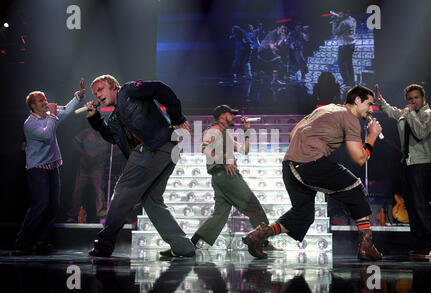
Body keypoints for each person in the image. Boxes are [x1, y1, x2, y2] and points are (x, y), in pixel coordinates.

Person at [243, 86, 384, 260]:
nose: (371, 109)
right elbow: (360, 159)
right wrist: (372, 136)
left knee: (303, 214)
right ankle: (366, 246)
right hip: (310, 163)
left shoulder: (326, 108)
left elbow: (293, 134)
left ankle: (258, 236)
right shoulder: (351, 119)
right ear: (357, 101)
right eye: (369, 104)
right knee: (355, 187)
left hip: (289, 164)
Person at [84, 75, 195, 257]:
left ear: (112, 86)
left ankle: (104, 244)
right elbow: (111, 137)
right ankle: (183, 247)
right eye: (95, 93)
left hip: (153, 148)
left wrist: (176, 117)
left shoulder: (128, 91)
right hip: (166, 150)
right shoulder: (113, 118)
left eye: (100, 89)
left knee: (122, 192)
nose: (98, 95)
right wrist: (94, 117)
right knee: (152, 202)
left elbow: (160, 88)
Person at [161, 105, 279, 256]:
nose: (234, 117)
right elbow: (205, 149)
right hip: (227, 176)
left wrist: (247, 131)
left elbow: (244, 150)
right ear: (223, 116)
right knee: (254, 207)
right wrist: (226, 159)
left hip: (220, 178)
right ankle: (263, 242)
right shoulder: (214, 130)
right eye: (232, 114)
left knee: (219, 215)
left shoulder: (225, 134)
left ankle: (190, 245)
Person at [375, 83, 431, 258]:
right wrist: (380, 101)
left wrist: (411, 113)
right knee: (412, 207)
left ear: (423, 98)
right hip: (407, 162)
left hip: (422, 163)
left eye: (416, 98)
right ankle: (421, 245)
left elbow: (421, 133)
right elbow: (392, 111)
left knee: (422, 205)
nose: (413, 101)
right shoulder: (407, 113)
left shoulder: (428, 115)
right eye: (410, 99)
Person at [14, 78, 86, 253]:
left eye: (45, 99)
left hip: (52, 167)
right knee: (40, 204)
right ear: (33, 106)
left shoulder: (48, 117)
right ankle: (22, 241)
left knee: (53, 205)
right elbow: (47, 135)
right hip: (37, 169)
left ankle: (41, 240)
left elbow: (67, 111)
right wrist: (53, 115)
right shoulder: (30, 124)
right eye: (41, 100)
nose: (45, 102)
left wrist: (78, 97)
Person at [65, 126, 110, 223]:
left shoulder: (106, 135)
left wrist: (102, 153)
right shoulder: (87, 132)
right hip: (84, 167)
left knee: (99, 192)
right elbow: (74, 141)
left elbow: (114, 146)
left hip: (98, 167)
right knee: (77, 191)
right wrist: (84, 153)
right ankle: (72, 215)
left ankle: (102, 216)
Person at [330, 10, 356, 88]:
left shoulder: (343, 23)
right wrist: (338, 17)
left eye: (341, 14)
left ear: (346, 14)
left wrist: (334, 21)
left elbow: (334, 32)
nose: (339, 16)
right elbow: (343, 19)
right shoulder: (352, 19)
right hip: (351, 45)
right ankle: (351, 82)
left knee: (342, 64)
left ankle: (347, 82)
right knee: (349, 64)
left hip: (344, 46)